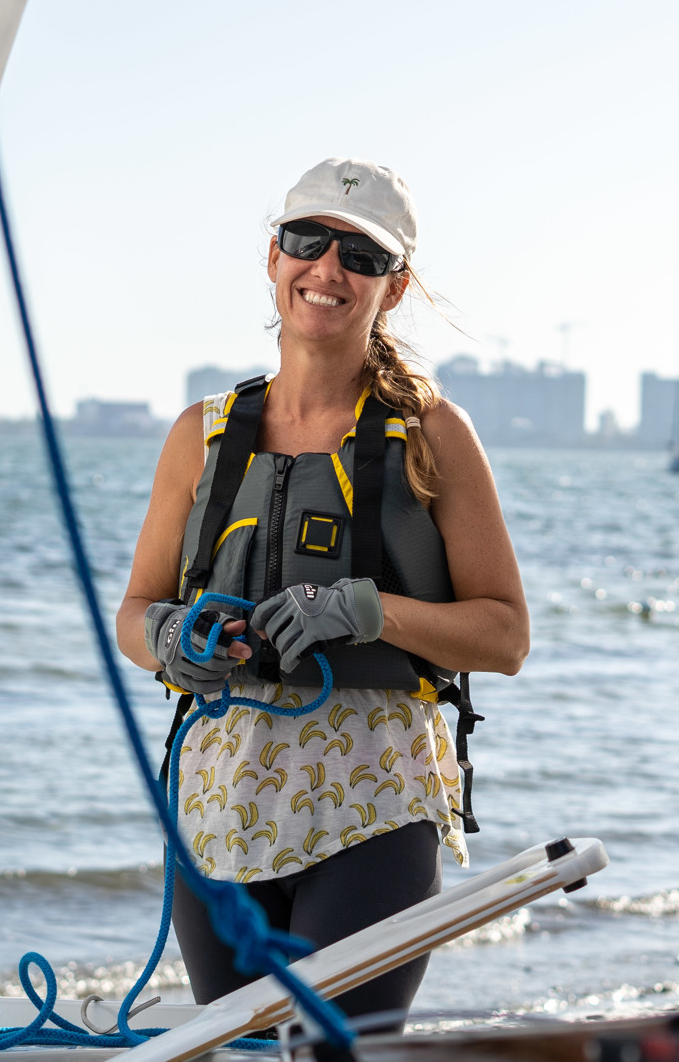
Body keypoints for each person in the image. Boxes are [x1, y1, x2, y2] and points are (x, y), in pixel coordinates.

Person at [116, 157, 531, 1032]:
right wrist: (174, 638)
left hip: (373, 800)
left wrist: (363, 607)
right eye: (308, 241)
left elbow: (505, 636)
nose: (328, 269)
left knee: (340, 1056)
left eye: (361, 255)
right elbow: (134, 611)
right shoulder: (202, 435)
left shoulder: (435, 434)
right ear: (273, 257)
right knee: (243, 1056)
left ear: (397, 284)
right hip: (219, 806)